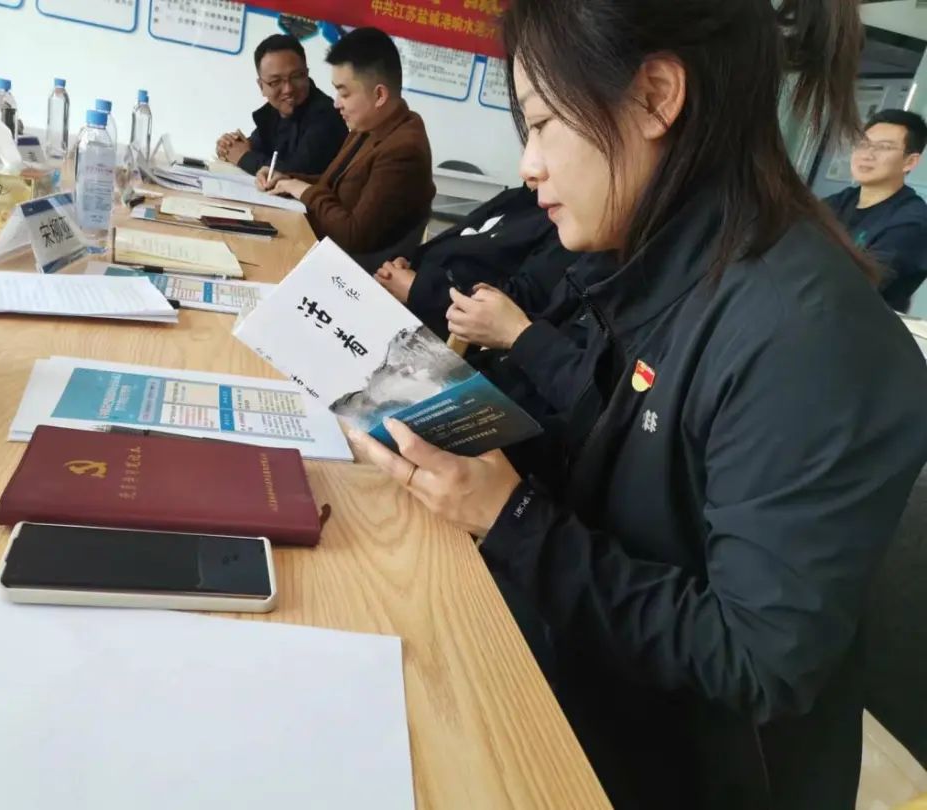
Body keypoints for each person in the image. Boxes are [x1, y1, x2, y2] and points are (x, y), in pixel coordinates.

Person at [347, 1, 927, 808]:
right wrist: (458, 437)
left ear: (656, 97)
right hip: (581, 678)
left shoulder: (810, 335)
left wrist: (509, 515)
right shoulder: (653, 261)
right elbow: (620, 449)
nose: (529, 166)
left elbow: (758, 661)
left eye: (543, 124)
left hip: (677, 769)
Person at [257, 27, 435, 258]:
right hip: (320, 248)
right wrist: (286, 179)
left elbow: (353, 236)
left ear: (379, 95)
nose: (337, 103)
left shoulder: (403, 150)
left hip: (346, 267)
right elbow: (330, 184)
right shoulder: (371, 124)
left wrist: (300, 188)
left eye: (345, 93)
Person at [374, 184, 575, 339]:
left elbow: (515, 307)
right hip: (411, 301)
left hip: (440, 331)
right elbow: (454, 239)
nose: (528, 166)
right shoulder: (519, 196)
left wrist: (417, 288)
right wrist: (408, 266)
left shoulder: (565, 229)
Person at [824, 109, 927, 312]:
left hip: (855, 323)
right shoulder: (841, 201)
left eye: (884, 147)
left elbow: (854, 287)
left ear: (910, 161)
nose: (867, 154)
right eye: (863, 144)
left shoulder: (912, 222)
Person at [215, 34, 347, 178]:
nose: (288, 89)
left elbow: (296, 173)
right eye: (275, 82)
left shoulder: (327, 116)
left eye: (296, 76)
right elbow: (253, 147)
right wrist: (228, 146)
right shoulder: (273, 112)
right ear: (261, 86)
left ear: (307, 74)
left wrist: (243, 157)